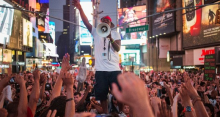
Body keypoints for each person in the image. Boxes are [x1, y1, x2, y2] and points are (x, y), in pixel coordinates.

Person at [73, 0, 122, 114]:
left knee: (119, 94)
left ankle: (121, 113)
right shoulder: (96, 32)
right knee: (102, 95)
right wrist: (80, 8)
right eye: (103, 21)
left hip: (114, 69)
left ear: (110, 24)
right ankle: (105, 114)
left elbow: (118, 48)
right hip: (101, 70)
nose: (104, 22)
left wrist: (111, 38)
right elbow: (86, 22)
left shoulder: (115, 34)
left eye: (107, 21)